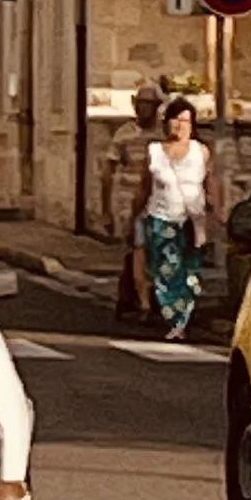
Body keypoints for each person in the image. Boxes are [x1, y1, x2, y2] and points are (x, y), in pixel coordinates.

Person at [134, 95, 223, 341]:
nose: (180, 126)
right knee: (167, 271)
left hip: (192, 222)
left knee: (190, 271)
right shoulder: (154, 152)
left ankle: (183, 314)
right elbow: (144, 188)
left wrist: (217, 211)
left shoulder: (201, 152)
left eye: (186, 121)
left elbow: (210, 182)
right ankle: (175, 320)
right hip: (162, 219)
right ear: (167, 123)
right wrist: (135, 215)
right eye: (176, 120)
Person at [109, 84, 165, 326]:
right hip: (127, 198)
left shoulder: (164, 135)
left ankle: (133, 296)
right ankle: (134, 298)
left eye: (149, 105)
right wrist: (106, 208)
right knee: (135, 248)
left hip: (156, 200)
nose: (144, 110)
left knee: (150, 250)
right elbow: (108, 170)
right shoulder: (123, 134)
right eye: (141, 104)